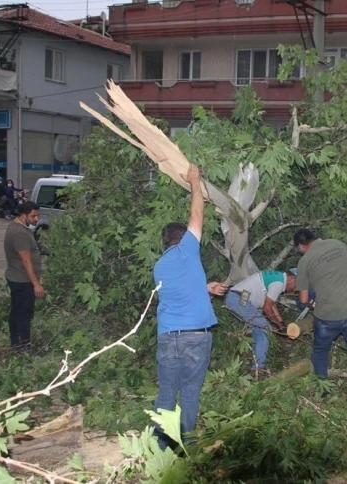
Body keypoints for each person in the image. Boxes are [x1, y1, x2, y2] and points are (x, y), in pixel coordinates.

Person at [152, 164, 228, 450]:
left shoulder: (159, 267)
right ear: (181, 237)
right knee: (190, 394)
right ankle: (188, 447)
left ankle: (160, 448)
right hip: (196, 337)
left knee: (166, 394)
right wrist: (195, 182)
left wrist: (206, 288)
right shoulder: (188, 248)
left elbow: (177, 295)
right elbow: (197, 213)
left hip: (168, 336)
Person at [294, 228, 347, 402]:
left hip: (328, 317)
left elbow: (303, 299)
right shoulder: (336, 243)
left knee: (319, 352)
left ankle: (323, 392)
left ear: (302, 247)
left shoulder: (305, 261)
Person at [226, 269, 297, 372]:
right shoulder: (279, 283)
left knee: (258, 329)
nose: (295, 290)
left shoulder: (278, 277)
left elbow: (271, 304)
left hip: (238, 295)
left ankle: (256, 363)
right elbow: (267, 308)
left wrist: (281, 322)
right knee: (264, 328)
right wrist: (279, 326)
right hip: (240, 298)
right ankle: (259, 368)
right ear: (292, 278)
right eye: (296, 285)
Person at [4, 201, 45, 350]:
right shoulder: (20, 233)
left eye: (38, 216)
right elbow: (26, 261)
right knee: (24, 313)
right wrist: (36, 284)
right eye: (33, 216)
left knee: (16, 311)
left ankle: (15, 343)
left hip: (17, 277)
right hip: (22, 280)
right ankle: (24, 346)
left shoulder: (15, 227)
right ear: (23, 215)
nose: (36, 219)